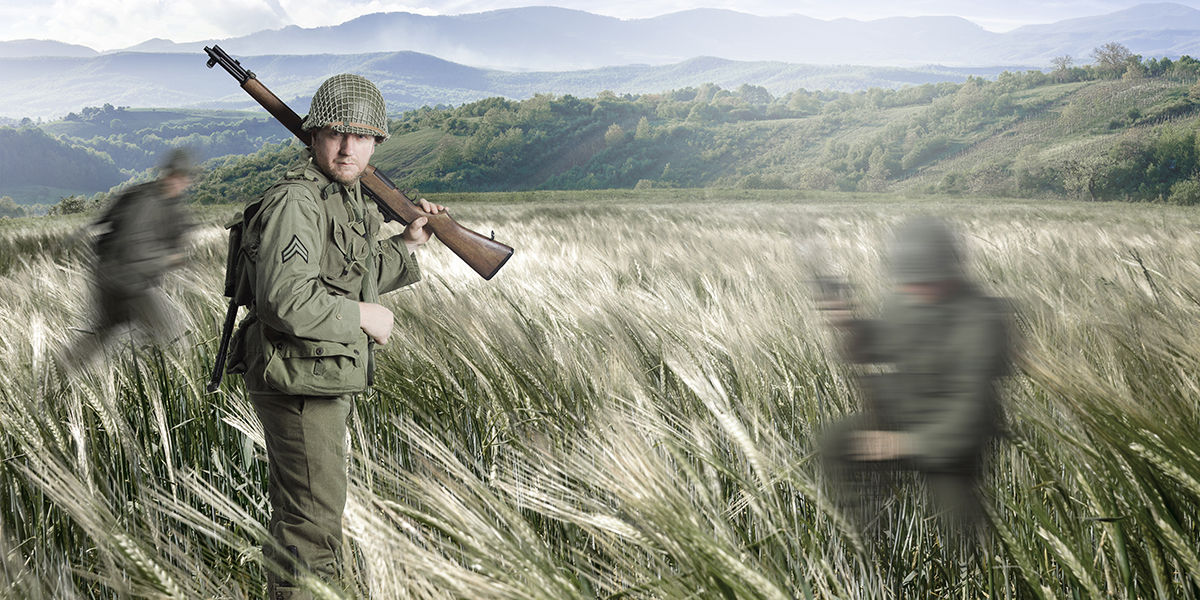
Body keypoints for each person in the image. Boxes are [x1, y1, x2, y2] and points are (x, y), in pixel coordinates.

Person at [227, 73, 445, 599]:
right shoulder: (297, 202)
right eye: (334, 134)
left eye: (362, 137)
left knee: (311, 519)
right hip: (298, 376)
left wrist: (408, 245)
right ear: (313, 136)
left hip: (319, 373)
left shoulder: (342, 197)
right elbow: (286, 299)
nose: (348, 147)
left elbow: (352, 274)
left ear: (377, 142)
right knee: (312, 531)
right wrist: (364, 318)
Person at [819, 216, 1011, 540]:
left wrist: (902, 443)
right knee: (835, 440)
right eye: (908, 282)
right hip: (903, 412)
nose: (912, 291)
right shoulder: (907, 295)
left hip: (951, 440)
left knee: (959, 531)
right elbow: (883, 345)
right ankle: (865, 538)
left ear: (951, 272)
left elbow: (970, 413)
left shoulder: (983, 320)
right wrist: (851, 325)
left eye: (924, 283)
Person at [59, 148, 196, 370]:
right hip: (126, 281)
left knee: (104, 330)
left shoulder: (148, 196)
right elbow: (137, 251)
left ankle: (61, 373)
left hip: (110, 275)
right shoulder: (148, 203)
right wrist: (169, 258)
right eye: (175, 176)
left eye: (182, 178)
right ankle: (158, 389)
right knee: (168, 340)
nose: (178, 182)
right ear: (167, 174)